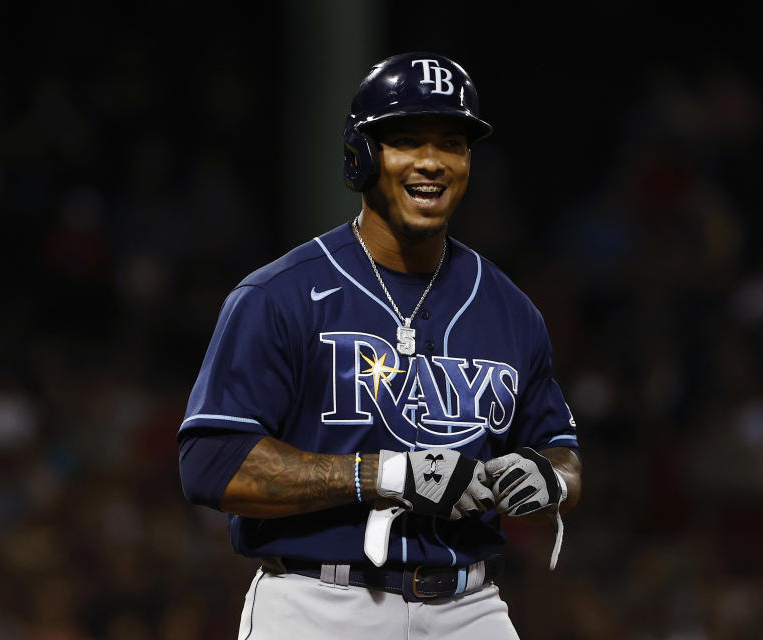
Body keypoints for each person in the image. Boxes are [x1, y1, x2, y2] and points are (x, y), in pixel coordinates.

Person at [178, 52, 581, 640]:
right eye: (406, 140)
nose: (431, 162)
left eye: (452, 143)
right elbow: (208, 464)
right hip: (320, 601)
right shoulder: (277, 295)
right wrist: (382, 475)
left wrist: (552, 477)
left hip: (469, 605)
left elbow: (564, 453)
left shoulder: (511, 310)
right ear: (362, 156)